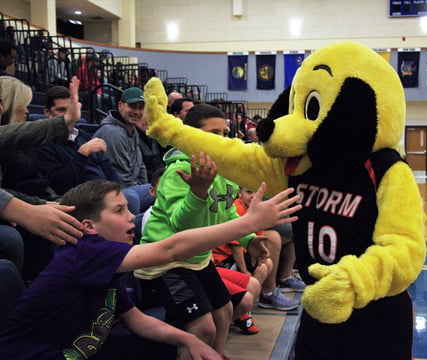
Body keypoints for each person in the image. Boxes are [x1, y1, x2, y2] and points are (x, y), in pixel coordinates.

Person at [0, 175, 301, 360]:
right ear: (88, 226)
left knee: (168, 345)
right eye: (120, 210)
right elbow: (170, 248)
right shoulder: (84, 252)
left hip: (83, 351)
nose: (132, 217)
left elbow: (138, 321)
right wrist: (248, 223)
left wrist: (187, 339)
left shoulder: (106, 263)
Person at [135, 104, 276, 358]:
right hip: (166, 261)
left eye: (225, 133)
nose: (222, 140)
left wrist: (249, 239)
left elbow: (228, 213)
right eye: (214, 133)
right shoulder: (177, 173)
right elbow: (181, 226)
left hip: (197, 259)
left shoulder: (224, 171)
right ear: (193, 136)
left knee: (224, 313)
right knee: (202, 329)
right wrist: (197, 193)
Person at [0, 76, 84, 322]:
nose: (27, 111)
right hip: (19, 216)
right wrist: (26, 209)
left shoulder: (16, 139)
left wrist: (41, 205)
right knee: (12, 240)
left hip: (35, 201)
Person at [35, 85, 142, 214]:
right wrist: (82, 154)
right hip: (84, 201)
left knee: (158, 189)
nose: (68, 115)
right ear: (47, 112)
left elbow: (108, 168)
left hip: (108, 192)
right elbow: (61, 184)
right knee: (132, 197)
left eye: (71, 110)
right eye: (61, 110)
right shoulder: (43, 143)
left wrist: (118, 191)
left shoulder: (83, 136)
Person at [233, 187, 306, 303]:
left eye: (257, 193)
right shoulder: (237, 208)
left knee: (294, 231)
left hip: (247, 246)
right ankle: (268, 293)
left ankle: (285, 278)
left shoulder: (256, 205)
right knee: (273, 239)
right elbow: (235, 243)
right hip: (230, 254)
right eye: (249, 192)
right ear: (239, 193)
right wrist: (243, 270)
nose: (254, 196)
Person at [93, 87, 153, 213]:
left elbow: (140, 166)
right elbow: (120, 176)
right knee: (159, 191)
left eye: (141, 107)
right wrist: (145, 189)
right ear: (120, 105)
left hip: (130, 187)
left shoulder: (131, 128)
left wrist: (145, 186)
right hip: (108, 190)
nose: (137, 112)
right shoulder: (112, 132)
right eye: (132, 106)